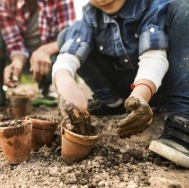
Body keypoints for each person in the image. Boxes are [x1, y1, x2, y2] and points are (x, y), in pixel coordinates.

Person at [53, 0, 189, 168]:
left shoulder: (150, 6)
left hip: (158, 86)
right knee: (66, 35)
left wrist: (140, 95)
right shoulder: (90, 16)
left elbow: (153, 57)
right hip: (126, 90)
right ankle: (113, 103)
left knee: (184, 6)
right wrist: (66, 84)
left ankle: (181, 121)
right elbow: (68, 57)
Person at [0, 0, 76, 107]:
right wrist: (17, 61)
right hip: (20, 59)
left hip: (50, 59)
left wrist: (45, 51)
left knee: (66, 49)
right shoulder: (5, 3)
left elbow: (70, 37)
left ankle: (45, 88)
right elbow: (14, 43)